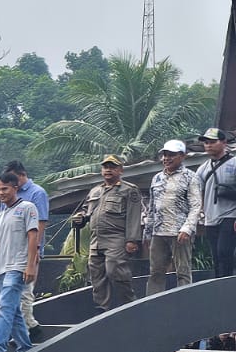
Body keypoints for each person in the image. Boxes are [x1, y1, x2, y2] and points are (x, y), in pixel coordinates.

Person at [72, 155, 145, 312]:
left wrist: (132, 240)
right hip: (96, 239)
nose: (108, 170)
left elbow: (134, 216)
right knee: (96, 275)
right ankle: (102, 308)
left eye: (112, 167)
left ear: (120, 170)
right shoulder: (95, 191)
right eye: (105, 167)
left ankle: (129, 304)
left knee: (115, 270)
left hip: (116, 238)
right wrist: (81, 217)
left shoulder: (129, 190)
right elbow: (86, 211)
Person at [0, 173, 41, 352]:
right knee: (13, 311)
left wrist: (30, 265)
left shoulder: (27, 208)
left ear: (15, 187)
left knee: (4, 308)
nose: (1, 193)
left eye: (4, 188)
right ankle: (24, 348)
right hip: (0, 269)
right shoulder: (2, 214)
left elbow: (33, 237)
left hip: (17, 267)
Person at [144, 140, 203, 295]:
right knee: (155, 272)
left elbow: (196, 206)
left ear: (182, 156)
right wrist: (147, 233)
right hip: (158, 232)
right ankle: (152, 305)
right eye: (164, 155)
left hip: (179, 233)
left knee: (182, 271)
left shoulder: (191, 177)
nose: (166, 158)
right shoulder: (156, 178)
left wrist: (187, 229)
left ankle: (185, 305)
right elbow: (152, 208)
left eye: (171, 155)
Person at [3, 161, 48, 335]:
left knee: (25, 291)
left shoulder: (37, 193)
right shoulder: (8, 193)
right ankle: (30, 325)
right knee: (12, 293)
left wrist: (36, 249)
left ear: (21, 175)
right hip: (10, 251)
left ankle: (27, 329)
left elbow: (41, 223)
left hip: (28, 250)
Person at [195, 127, 236, 279]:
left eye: (212, 142)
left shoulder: (234, 163)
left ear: (224, 142)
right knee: (216, 257)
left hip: (230, 216)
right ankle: (219, 287)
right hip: (210, 219)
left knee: (224, 252)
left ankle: (228, 287)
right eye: (206, 142)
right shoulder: (202, 168)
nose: (208, 145)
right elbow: (195, 193)